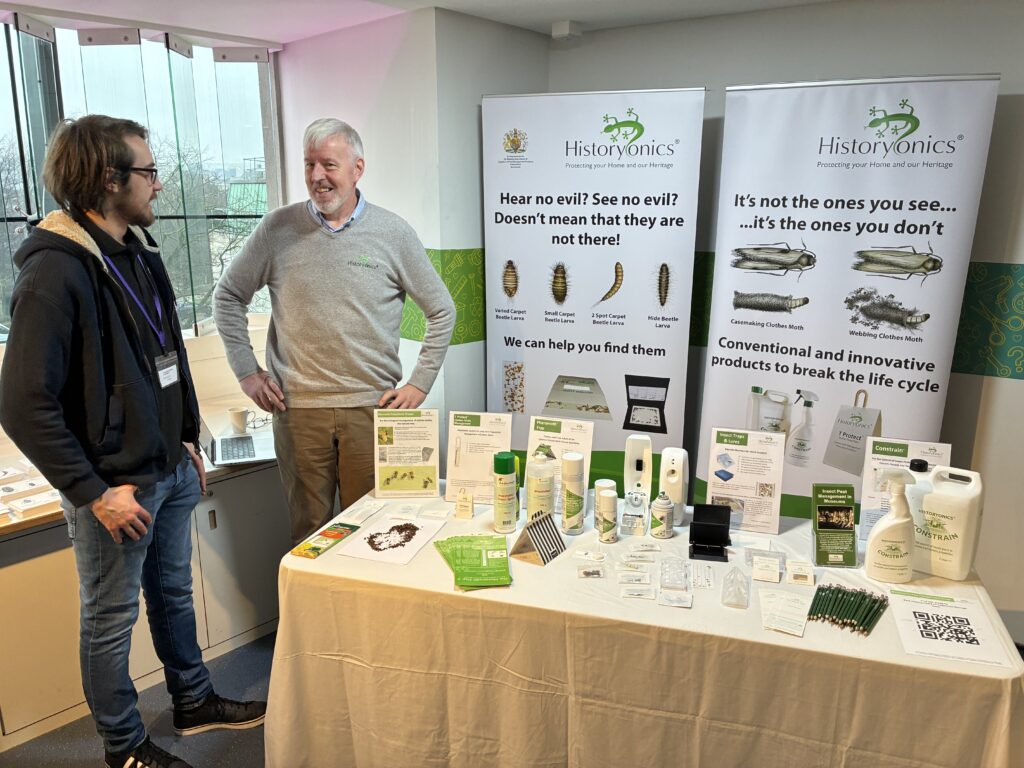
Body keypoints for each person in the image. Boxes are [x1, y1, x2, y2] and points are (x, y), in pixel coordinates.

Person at [0, 115, 265, 768]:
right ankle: (123, 747)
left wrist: (185, 438)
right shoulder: (55, 272)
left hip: (168, 467)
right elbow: (21, 403)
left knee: (173, 596)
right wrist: (92, 493)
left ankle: (194, 699)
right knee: (109, 621)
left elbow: (164, 356)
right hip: (114, 487)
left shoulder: (139, 255)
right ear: (106, 178)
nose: (159, 184)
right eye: (147, 171)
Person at [214, 118, 455, 543]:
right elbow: (228, 296)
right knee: (311, 535)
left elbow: (442, 310)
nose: (317, 177)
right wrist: (247, 372)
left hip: (372, 408)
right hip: (298, 410)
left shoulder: (393, 233)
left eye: (329, 164)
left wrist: (420, 383)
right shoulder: (277, 229)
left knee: (379, 531)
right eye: (309, 165)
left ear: (358, 168)